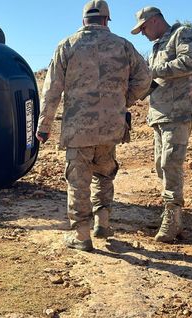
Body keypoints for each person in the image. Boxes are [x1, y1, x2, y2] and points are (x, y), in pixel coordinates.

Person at [37, 0, 151, 251]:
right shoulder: (123, 45)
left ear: (83, 20)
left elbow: (52, 89)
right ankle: (103, 222)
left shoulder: (67, 45)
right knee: (104, 173)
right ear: (107, 20)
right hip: (112, 126)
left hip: (79, 129)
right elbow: (145, 78)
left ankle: (81, 236)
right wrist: (122, 101)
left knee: (78, 181)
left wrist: (43, 125)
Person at [131, 6, 192, 243]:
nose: (142, 33)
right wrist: (128, 98)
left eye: (142, 28)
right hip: (159, 115)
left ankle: (172, 219)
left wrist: (152, 70)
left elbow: (189, 62)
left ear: (153, 21)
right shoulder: (157, 46)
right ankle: (172, 214)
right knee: (160, 166)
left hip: (178, 113)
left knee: (170, 164)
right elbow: (155, 81)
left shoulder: (182, 34)